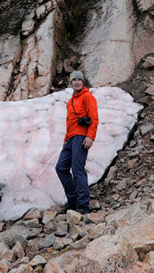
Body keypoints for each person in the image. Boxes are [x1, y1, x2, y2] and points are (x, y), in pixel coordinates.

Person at [55, 70, 99, 214]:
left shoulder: (88, 97)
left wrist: (90, 136)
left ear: (83, 82)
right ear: (71, 82)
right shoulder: (70, 101)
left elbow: (94, 118)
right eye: (74, 80)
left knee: (78, 170)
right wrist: (65, 140)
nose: (77, 82)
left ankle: (82, 205)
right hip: (70, 139)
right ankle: (73, 200)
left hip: (81, 137)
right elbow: (69, 123)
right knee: (61, 168)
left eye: (79, 80)